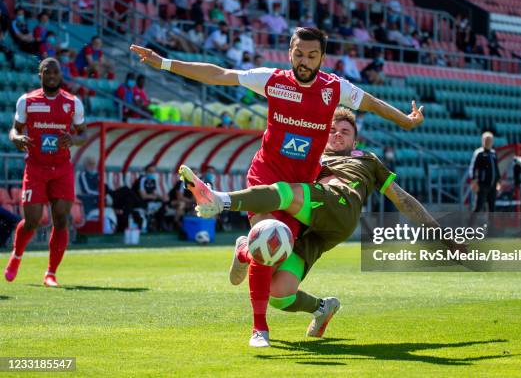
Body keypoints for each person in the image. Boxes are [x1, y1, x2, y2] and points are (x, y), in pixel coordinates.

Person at [130, 26, 424, 347]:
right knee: (266, 237)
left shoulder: (334, 89)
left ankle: (246, 253)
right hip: (266, 175)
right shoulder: (272, 80)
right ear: (289, 52)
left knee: (274, 274)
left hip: (301, 186)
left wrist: (406, 121)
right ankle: (259, 329)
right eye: (299, 54)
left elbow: (373, 104)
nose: (304, 61)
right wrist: (166, 64)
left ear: (322, 58)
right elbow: (220, 74)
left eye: (312, 56)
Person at [181, 108, 443, 338]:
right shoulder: (311, 157)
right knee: (280, 294)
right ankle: (322, 308)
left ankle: (219, 200)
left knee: (284, 192)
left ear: (355, 139)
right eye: (332, 130)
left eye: (345, 131)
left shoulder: (367, 160)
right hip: (310, 228)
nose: (338, 135)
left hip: (340, 205)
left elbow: (403, 199)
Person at [4, 58, 87, 287]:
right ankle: (17, 256)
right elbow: (14, 129)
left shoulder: (73, 103)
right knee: (32, 220)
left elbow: (83, 133)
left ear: (61, 75)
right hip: (35, 167)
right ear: (40, 74)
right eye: (47, 72)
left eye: (55, 72)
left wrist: (74, 139)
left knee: (61, 219)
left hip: (61, 169)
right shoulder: (27, 100)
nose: (52, 76)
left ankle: (51, 273)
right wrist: (16, 138)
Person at [469, 132, 501, 213]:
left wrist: (499, 181)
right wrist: (473, 181)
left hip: (492, 185)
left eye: (490, 140)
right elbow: (473, 168)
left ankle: (491, 225)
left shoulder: (493, 153)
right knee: (478, 207)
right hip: (482, 185)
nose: (488, 142)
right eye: (487, 140)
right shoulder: (479, 153)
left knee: (492, 209)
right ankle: (470, 225)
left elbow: (496, 168)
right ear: (483, 141)